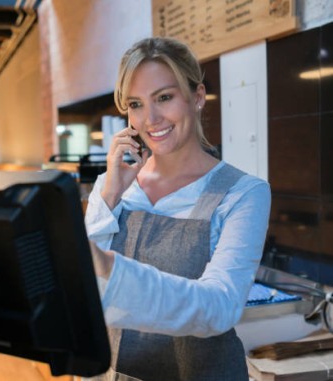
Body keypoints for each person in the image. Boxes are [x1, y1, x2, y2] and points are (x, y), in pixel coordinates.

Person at [84, 37, 271, 381]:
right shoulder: (110, 186)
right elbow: (81, 293)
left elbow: (220, 306)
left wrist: (109, 266)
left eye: (164, 98)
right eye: (136, 104)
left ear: (197, 97)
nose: (150, 118)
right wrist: (110, 193)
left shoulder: (243, 194)